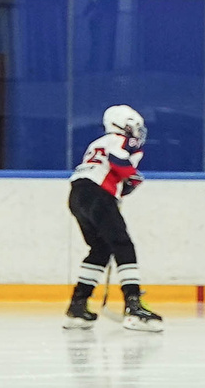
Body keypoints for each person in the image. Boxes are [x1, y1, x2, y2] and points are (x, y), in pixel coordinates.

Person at [65, 104, 163, 333]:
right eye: (133, 126)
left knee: (100, 249)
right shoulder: (121, 141)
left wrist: (124, 185)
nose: (136, 132)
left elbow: (107, 171)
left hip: (77, 195)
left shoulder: (97, 143)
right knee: (122, 244)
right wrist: (133, 176)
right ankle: (133, 306)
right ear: (121, 125)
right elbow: (119, 162)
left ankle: (77, 306)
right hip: (98, 194)